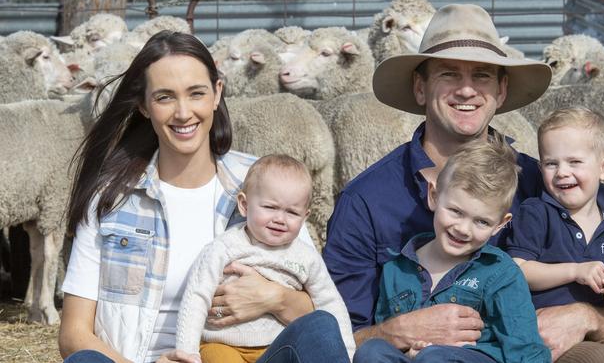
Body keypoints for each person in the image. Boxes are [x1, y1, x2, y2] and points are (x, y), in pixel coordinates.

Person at [322, 3, 604, 362]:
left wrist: (585, 317)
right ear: (420, 87)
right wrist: (397, 330)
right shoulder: (366, 201)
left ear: (501, 90)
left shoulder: (547, 185)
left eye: (482, 76)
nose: (466, 90)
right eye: (448, 74)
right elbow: (338, 332)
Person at [58, 31, 350, 363]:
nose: (183, 113)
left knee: (322, 329)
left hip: (244, 356)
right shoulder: (111, 199)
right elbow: (73, 335)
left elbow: (319, 304)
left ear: (216, 93)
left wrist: (275, 298)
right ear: (143, 105)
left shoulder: (262, 184)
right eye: (165, 97)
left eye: (196, 93)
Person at [353, 138, 550, 362]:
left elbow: (525, 348)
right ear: (434, 196)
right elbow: (393, 340)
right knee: (372, 351)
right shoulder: (396, 269)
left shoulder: (500, 274)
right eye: (456, 211)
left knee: (434, 358)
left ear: (500, 224)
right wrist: (409, 352)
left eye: (482, 222)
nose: (463, 229)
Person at [176, 154, 355, 362]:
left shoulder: (306, 257)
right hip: (223, 345)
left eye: (292, 212)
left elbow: (331, 304)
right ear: (244, 204)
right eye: (270, 207)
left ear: (305, 217)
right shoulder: (225, 248)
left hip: (278, 348)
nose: (280, 219)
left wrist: (348, 354)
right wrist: (186, 352)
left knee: (323, 321)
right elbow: (197, 296)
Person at [506, 107, 604, 363]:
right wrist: (575, 270)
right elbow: (518, 269)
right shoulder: (536, 213)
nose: (562, 172)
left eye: (574, 162)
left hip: (601, 332)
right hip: (547, 337)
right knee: (596, 358)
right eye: (551, 163)